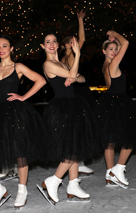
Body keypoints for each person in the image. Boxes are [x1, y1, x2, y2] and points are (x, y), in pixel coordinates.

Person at [0, 35, 47, 210]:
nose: (1, 49)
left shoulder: (18, 66)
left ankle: (22, 190)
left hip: (16, 113)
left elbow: (41, 80)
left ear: (11, 48)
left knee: (20, 152)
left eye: (5, 46)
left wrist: (23, 97)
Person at [38, 33, 98, 204]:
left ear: (58, 45)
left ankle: (73, 185)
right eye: (47, 42)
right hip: (62, 108)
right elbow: (73, 73)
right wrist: (77, 56)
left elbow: (81, 78)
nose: (51, 44)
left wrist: (73, 75)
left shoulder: (62, 63)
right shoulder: (48, 63)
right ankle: (54, 180)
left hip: (73, 105)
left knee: (75, 146)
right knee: (71, 149)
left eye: (54, 41)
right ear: (43, 47)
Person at [95, 30, 136, 189]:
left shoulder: (105, 65)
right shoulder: (113, 64)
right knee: (129, 139)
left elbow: (120, 46)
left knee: (109, 142)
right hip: (119, 103)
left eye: (115, 49)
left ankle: (109, 175)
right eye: (111, 49)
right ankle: (119, 168)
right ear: (104, 51)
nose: (115, 51)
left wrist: (113, 41)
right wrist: (114, 33)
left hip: (109, 103)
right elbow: (126, 43)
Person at [61, 9, 95, 175]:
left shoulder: (73, 55)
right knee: (77, 126)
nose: (76, 43)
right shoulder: (61, 60)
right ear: (67, 44)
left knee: (82, 125)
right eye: (72, 41)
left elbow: (82, 39)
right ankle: (77, 161)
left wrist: (80, 20)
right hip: (74, 93)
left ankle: (79, 160)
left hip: (80, 90)